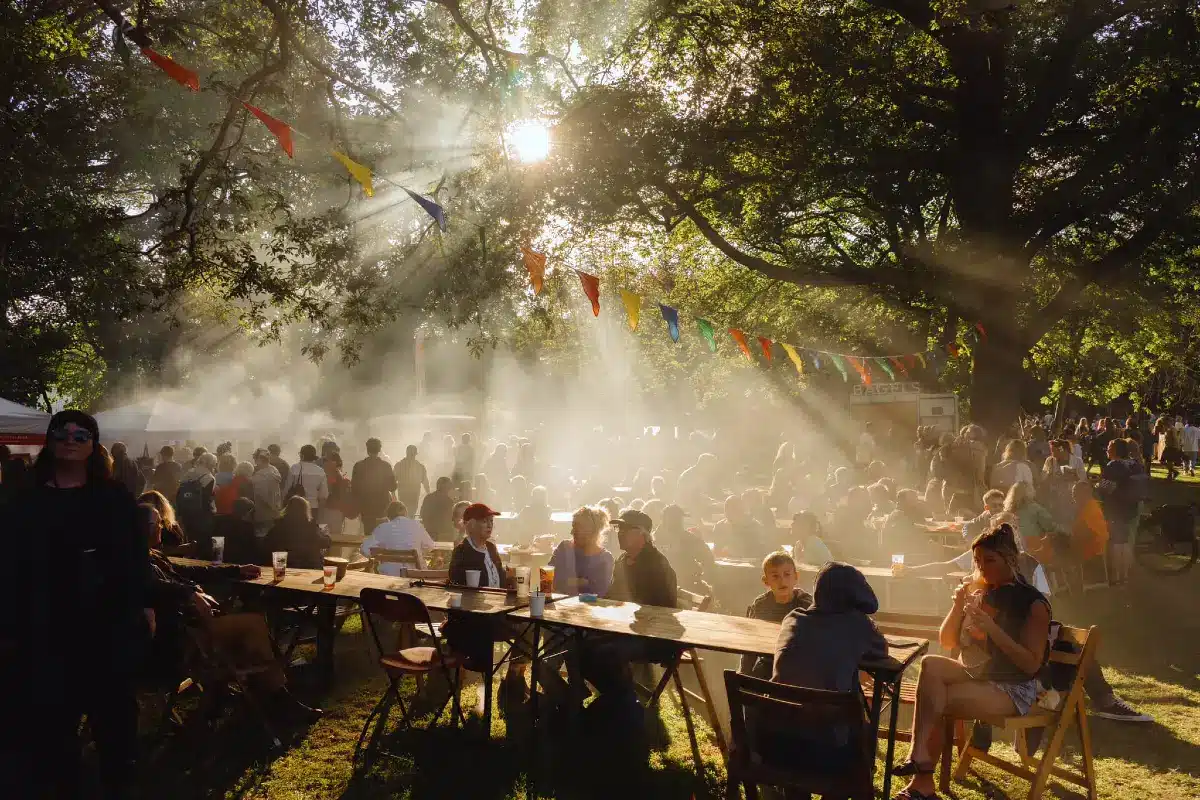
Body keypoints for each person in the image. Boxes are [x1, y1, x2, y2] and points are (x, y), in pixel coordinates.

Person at [2, 411, 146, 799]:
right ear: (49, 441)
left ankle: (118, 782)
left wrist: (143, 604)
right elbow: (10, 567)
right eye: (62, 433)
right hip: (47, 629)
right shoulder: (25, 502)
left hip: (106, 627)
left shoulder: (114, 497)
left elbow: (135, 557)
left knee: (115, 724)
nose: (70, 439)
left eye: (81, 435)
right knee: (53, 730)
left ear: (93, 446)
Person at [895, 525, 1050, 799]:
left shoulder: (1032, 603)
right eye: (977, 561)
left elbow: (1031, 665)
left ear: (1010, 559)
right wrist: (957, 607)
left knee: (940, 697)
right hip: (978, 675)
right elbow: (947, 641)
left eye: (989, 560)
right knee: (931, 664)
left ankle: (922, 783)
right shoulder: (982, 592)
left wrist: (992, 629)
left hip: (1012, 688)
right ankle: (918, 755)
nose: (982, 567)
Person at [140, 504, 320, 724]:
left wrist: (236, 569)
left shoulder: (151, 555)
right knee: (253, 625)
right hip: (184, 635)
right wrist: (189, 593)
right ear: (144, 528)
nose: (163, 527)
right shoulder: (136, 561)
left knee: (251, 634)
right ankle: (277, 699)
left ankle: (268, 696)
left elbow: (191, 571)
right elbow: (153, 586)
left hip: (195, 625)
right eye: (158, 523)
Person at [739, 551, 813, 678]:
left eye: (787, 575)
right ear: (766, 581)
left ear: (796, 577)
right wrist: (743, 673)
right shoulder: (760, 605)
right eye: (775, 576)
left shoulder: (806, 604)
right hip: (768, 661)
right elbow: (750, 642)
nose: (782, 581)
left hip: (798, 664)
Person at [1096, 438, 1146, 585]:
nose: (1107, 448)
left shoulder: (1113, 466)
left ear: (1115, 450)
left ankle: (1117, 577)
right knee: (1126, 543)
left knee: (1117, 543)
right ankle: (1125, 575)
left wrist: (1097, 485)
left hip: (1116, 508)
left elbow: (1107, 488)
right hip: (1133, 507)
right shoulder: (1135, 464)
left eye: (1109, 446)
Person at [547, 506, 615, 595]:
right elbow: (550, 578)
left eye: (576, 528)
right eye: (573, 527)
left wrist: (567, 581)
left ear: (590, 530)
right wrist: (584, 581)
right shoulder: (564, 548)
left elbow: (599, 592)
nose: (572, 532)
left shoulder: (605, 558)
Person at [361, 501, 436, 575]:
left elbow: (364, 549)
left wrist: (378, 556)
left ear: (389, 516)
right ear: (406, 512)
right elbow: (430, 546)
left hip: (388, 577)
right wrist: (419, 552)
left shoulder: (382, 528)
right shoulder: (417, 525)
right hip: (415, 576)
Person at [653, 504, 716, 590]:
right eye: (676, 519)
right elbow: (708, 558)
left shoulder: (654, 538)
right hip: (681, 585)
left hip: (675, 584)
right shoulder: (655, 539)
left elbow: (708, 558)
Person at [263, 496, 331, 569]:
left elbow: (266, 543)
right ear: (305, 510)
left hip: (285, 567)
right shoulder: (310, 526)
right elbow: (324, 543)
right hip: (308, 568)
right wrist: (327, 535)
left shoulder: (279, 526)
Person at [1002, 481, 1067, 552]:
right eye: (1032, 488)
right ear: (1029, 492)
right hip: (1036, 549)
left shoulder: (1007, 512)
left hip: (1016, 549)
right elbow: (1051, 527)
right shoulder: (1036, 509)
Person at [351, 438, 396, 536]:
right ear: (379, 450)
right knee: (382, 535)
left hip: (366, 506)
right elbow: (393, 487)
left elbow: (354, 488)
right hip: (383, 506)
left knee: (368, 534)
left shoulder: (359, 466)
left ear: (367, 450)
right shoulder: (386, 466)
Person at [176, 452, 218, 551]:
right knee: (203, 541)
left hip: (187, 511)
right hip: (202, 514)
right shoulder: (209, 477)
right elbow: (206, 499)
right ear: (211, 464)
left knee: (190, 539)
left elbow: (179, 492)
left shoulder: (189, 472)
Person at [712, 494, 767, 558]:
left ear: (742, 511)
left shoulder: (754, 526)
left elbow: (759, 551)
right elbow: (717, 550)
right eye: (727, 510)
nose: (729, 514)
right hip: (726, 564)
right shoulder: (720, 526)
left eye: (734, 510)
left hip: (749, 564)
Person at [283, 444, 329, 515]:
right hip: (313, 507)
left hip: (296, 505)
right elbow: (323, 495)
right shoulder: (320, 471)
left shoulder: (294, 468)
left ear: (302, 456)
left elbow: (286, 489)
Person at [250, 449, 282, 535]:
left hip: (263, 513)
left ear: (259, 460)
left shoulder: (260, 477)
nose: (255, 462)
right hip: (275, 512)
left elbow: (263, 496)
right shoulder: (274, 470)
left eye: (255, 459)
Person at [322, 451, 352, 536]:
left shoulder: (334, 475)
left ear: (334, 462)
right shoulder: (338, 473)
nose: (325, 463)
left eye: (327, 460)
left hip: (332, 510)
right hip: (338, 510)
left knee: (332, 536)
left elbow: (329, 490)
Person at [393, 445, 430, 514]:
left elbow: (393, 481)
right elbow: (425, 483)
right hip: (413, 495)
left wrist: (393, 494)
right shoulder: (420, 466)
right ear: (416, 454)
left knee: (403, 514)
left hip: (404, 494)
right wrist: (429, 494)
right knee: (410, 514)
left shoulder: (399, 465)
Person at [419, 476, 457, 541]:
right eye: (449, 487)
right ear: (447, 487)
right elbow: (453, 517)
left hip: (430, 532)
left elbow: (422, 514)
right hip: (444, 533)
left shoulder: (428, 498)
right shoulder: (449, 500)